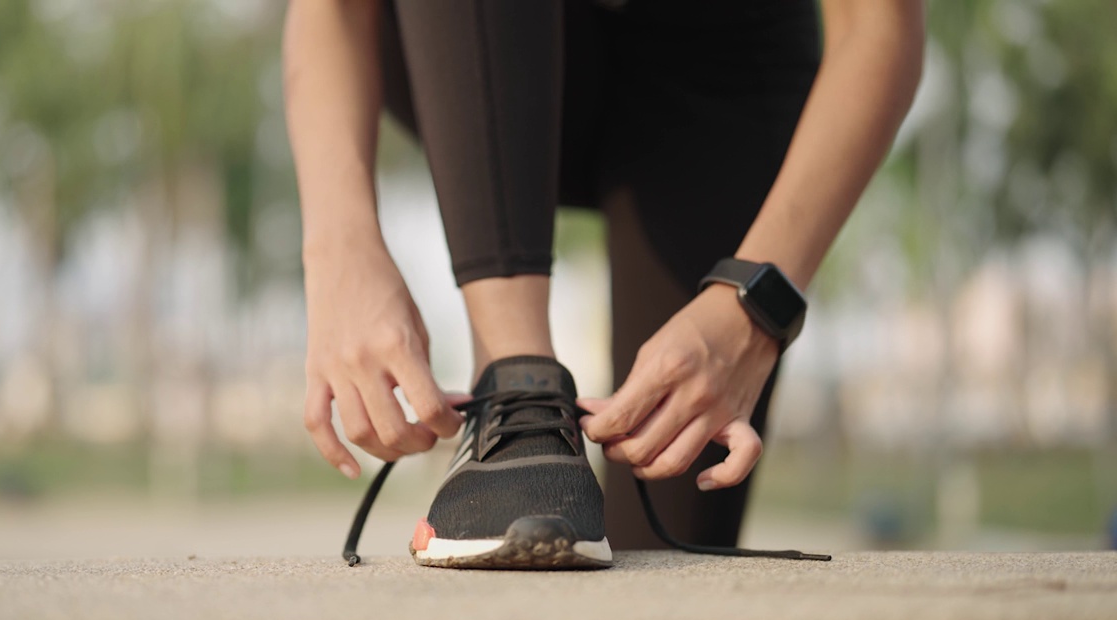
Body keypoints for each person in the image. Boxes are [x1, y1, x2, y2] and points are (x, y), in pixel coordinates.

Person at [283, 0, 923, 569]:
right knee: (522, 493)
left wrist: (753, 307)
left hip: (724, 58)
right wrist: (339, 252)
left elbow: (878, 26)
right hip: (481, 38)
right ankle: (518, 387)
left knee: (665, 545)